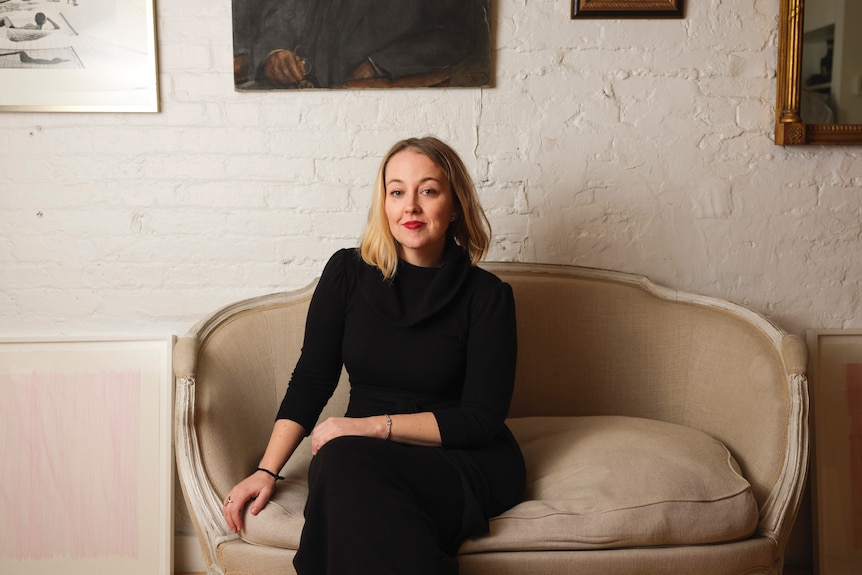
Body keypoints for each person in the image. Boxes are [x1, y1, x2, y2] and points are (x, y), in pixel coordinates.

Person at [222, 136, 526, 574]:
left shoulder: (488, 297)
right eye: (397, 191)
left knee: (343, 468)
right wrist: (267, 471)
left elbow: (480, 418)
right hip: (359, 456)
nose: (411, 207)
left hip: (457, 454)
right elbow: (311, 378)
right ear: (383, 204)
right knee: (342, 466)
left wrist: (368, 427)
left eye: (429, 190)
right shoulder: (346, 273)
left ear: (455, 205)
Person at [232, 0, 483, 88]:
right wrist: (273, 53)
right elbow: (284, 10)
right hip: (300, 104)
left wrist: (380, 65)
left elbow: (457, 33)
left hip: (382, 96)